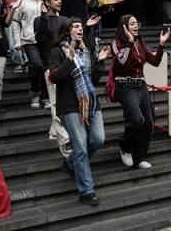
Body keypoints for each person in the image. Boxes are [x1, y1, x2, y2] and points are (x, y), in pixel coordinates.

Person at [49, 17, 110, 206]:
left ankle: (70, 164)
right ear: (68, 31)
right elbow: (55, 77)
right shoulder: (57, 51)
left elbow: (93, 79)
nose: (80, 29)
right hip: (69, 105)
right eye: (76, 26)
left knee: (98, 139)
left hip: (90, 102)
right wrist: (69, 59)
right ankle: (86, 191)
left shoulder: (87, 51)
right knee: (81, 147)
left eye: (81, 27)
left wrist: (99, 63)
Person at [112, 14, 170, 169]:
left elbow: (155, 62)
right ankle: (125, 146)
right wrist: (129, 44)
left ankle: (140, 157)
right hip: (125, 86)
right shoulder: (116, 43)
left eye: (137, 23)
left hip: (141, 85)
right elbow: (122, 63)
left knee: (149, 122)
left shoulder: (140, 43)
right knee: (137, 120)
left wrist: (161, 45)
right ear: (124, 27)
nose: (136, 26)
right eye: (132, 24)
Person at [10, 0, 47, 108]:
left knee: (44, 67)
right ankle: (36, 93)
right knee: (36, 65)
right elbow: (15, 22)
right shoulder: (22, 1)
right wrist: (17, 42)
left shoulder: (44, 2)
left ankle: (45, 96)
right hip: (28, 40)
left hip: (44, 41)